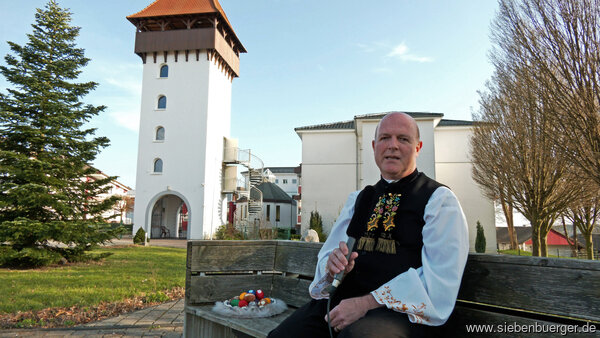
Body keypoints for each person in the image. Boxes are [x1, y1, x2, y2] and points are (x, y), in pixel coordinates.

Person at [268, 112, 469, 338]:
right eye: (385, 138)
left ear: (418, 147)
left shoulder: (439, 200)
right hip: (344, 303)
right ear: (374, 146)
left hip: (401, 315)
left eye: (403, 139)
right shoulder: (360, 199)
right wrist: (333, 265)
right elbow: (330, 254)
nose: (392, 145)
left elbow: (440, 279)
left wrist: (366, 303)